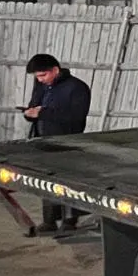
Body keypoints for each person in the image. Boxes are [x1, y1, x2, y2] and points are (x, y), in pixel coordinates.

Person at [23, 53, 92, 233]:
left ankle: (69, 222)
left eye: (43, 75)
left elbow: (76, 118)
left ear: (55, 70)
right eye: (37, 77)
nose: (40, 80)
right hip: (42, 140)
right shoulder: (41, 85)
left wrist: (43, 113)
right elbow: (34, 106)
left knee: (67, 182)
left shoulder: (77, 88)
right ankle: (49, 221)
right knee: (45, 182)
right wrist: (29, 114)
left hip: (67, 142)